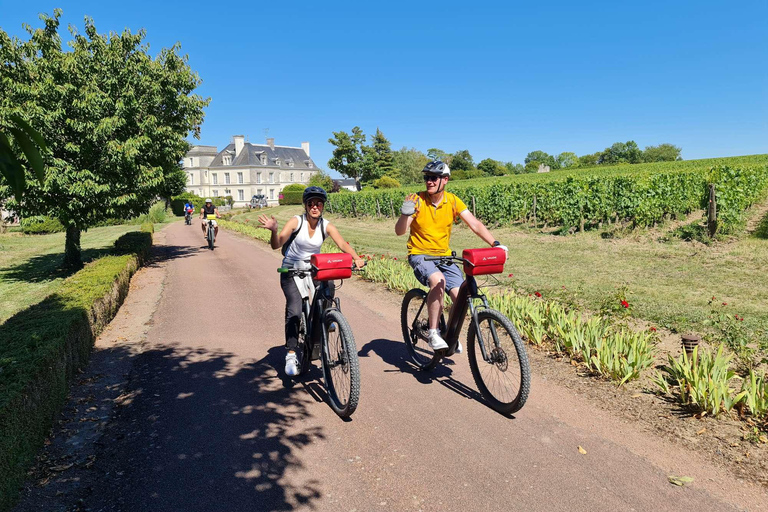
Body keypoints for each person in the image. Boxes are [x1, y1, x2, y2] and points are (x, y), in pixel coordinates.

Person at [394, 161, 508, 352]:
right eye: (426, 178)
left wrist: (495, 244)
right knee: (438, 281)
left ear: (445, 180)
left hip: (444, 256)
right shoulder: (417, 200)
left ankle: (451, 334)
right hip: (420, 254)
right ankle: (433, 332)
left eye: (433, 178)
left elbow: (475, 224)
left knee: (460, 295)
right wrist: (405, 215)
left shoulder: (453, 201)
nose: (429, 182)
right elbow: (399, 231)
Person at [257, 186, 365, 377]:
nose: (315, 207)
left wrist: (356, 257)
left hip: (314, 268)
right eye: (311, 204)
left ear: (323, 206)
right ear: (306, 206)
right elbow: (277, 244)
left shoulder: (326, 225)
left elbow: (342, 243)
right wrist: (273, 231)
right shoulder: (296, 221)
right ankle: (291, 353)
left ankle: (326, 316)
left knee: (329, 284)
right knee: (295, 310)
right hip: (291, 269)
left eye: (318, 204)